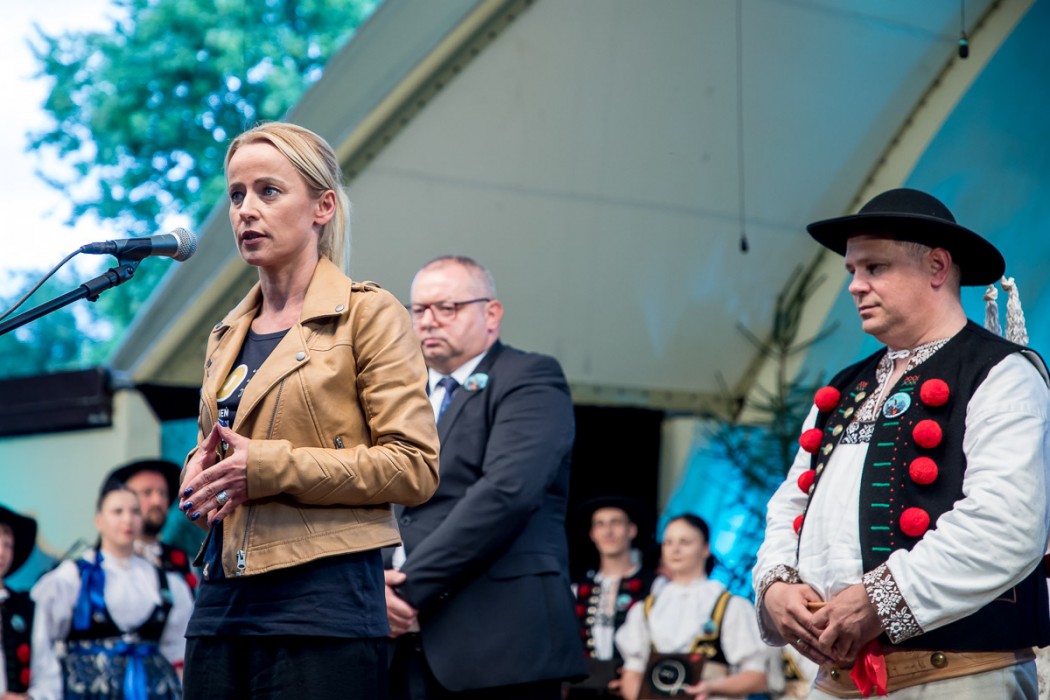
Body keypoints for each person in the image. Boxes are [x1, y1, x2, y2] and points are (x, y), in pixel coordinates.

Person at [176, 121, 440, 699]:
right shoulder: (225, 334)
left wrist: (266, 468)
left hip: (323, 603)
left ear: (323, 206)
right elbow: (218, 456)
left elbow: (414, 467)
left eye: (268, 191)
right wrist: (197, 478)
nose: (246, 210)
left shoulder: (370, 315)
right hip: (221, 598)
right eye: (236, 195)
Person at [752, 188, 1050, 698]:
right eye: (852, 270)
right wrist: (776, 586)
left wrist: (879, 600)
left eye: (875, 267)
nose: (855, 285)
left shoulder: (1000, 372)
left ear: (937, 267)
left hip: (957, 677)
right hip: (836, 682)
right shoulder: (845, 388)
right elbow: (790, 505)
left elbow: (1007, 522)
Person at [385, 255, 586, 699]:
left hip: (500, 642)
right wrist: (371, 587)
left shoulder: (529, 377)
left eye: (447, 308)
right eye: (418, 310)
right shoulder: (402, 395)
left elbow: (507, 493)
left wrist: (406, 588)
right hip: (400, 646)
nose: (428, 321)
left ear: (491, 314)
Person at [29, 480, 193, 699]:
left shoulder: (166, 581)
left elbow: (178, 646)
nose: (128, 519)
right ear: (99, 521)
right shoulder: (72, 576)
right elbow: (42, 640)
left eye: (135, 511)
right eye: (117, 511)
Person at [615, 514, 768, 700]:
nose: (675, 549)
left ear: (705, 548)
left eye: (685, 542)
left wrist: (710, 687)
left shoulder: (730, 606)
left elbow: (757, 677)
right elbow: (632, 674)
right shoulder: (645, 609)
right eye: (668, 543)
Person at [569, 496, 657, 698]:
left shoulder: (655, 585)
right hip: (584, 693)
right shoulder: (578, 588)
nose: (608, 531)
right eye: (600, 524)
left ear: (631, 530)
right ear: (592, 534)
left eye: (615, 522)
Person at [105, 459, 197, 592]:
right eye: (147, 492)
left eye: (163, 493)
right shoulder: (103, 561)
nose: (157, 501)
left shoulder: (182, 562)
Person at [1, 505, 37, 699]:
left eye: (8, 544)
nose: (1, 552)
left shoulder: (25, 607)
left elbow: (46, 669)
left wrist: (28, 697)